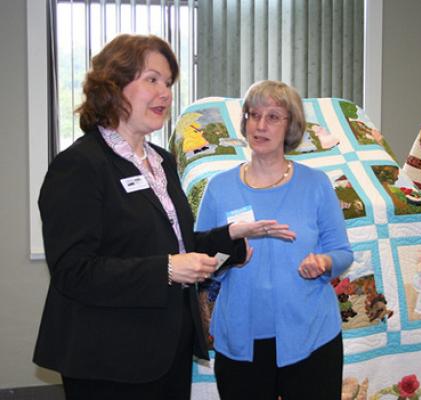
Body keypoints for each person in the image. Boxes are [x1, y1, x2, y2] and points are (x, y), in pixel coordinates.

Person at [32, 34, 285, 400]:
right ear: (114, 85)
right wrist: (165, 269)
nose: (165, 93)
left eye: (168, 83)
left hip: (167, 348)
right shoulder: (80, 165)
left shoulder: (161, 161)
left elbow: (174, 245)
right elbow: (74, 270)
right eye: (152, 79)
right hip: (108, 358)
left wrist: (229, 236)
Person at [196, 80, 354, 399]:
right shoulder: (219, 188)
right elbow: (201, 259)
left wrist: (324, 262)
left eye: (273, 116)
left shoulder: (316, 185)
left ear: (291, 126)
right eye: (253, 115)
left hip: (312, 336)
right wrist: (233, 254)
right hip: (241, 341)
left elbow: (342, 252)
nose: (261, 125)